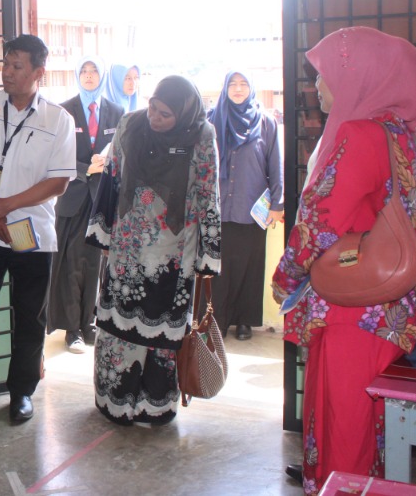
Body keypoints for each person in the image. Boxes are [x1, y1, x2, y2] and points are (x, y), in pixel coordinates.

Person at [272, 27, 416, 495]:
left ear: (359, 77)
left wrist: (285, 278)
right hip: (391, 308)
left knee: (345, 428)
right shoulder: (411, 137)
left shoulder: (360, 135)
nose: (316, 85)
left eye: (325, 75)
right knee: (373, 426)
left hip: (352, 309)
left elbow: (319, 222)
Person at [86, 75, 221, 426]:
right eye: (152, 108)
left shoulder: (201, 135)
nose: (155, 118)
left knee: (162, 339)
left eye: (165, 114)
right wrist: (103, 235)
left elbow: (208, 194)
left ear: (184, 113)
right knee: (118, 333)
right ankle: (115, 402)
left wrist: (207, 256)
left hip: (174, 256)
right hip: (127, 250)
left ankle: (155, 406)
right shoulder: (130, 125)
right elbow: (112, 177)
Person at [0, 34, 76, 428]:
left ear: (39, 72)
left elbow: (59, 181)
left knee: (29, 318)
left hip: (33, 236)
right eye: (5, 64)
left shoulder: (58, 119)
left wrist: (4, 206)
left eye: (17, 66)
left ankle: (21, 392)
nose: (7, 72)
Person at [48, 56, 125, 353]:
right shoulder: (64, 110)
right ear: (77, 75)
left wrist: (107, 163)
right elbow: (56, 154)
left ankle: (90, 323)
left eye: (94, 71)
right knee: (71, 264)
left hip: (102, 199)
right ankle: (72, 328)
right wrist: (85, 169)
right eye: (84, 71)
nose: (89, 75)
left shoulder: (116, 111)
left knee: (95, 265)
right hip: (72, 197)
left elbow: (122, 152)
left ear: (102, 75)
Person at [208, 71, 284, 340]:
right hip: (217, 207)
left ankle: (244, 321)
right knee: (218, 269)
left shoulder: (266, 122)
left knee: (249, 267)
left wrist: (277, 204)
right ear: (225, 88)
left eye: (243, 84)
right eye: (233, 84)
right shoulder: (212, 120)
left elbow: (275, 165)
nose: (238, 89)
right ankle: (217, 320)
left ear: (251, 88)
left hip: (251, 207)